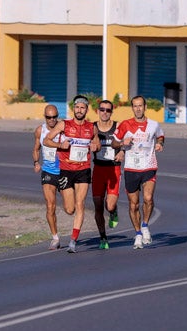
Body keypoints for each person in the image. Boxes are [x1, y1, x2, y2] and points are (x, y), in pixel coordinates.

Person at [43, 95, 98, 253]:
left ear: (86, 110)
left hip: (83, 170)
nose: (79, 110)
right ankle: (67, 203)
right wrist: (60, 145)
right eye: (77, 107)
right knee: (70, 209)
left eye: (82, 108)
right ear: (74, 109)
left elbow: (97, 143)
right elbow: (46, 140)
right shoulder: (64, 125)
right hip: (66, 170)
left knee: (80, 204)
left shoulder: (91, 127)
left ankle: (73, 241)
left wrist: (96, 146)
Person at [114, 95, 165, 249]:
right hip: (131, 168)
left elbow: (160, 136)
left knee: (148, 198)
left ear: (145, 107)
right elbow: (114, 142)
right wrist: (122, 143)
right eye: (135, 106)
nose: (138, 109)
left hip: (149, 166)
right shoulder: (125, 124)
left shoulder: (153, 125)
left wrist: (159, 144)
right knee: (134, 205)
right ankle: (137, 234)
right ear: (132, 108)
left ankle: (145, 225)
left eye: (140, 106)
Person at [90, 98, 122, 249]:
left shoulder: (117, 127)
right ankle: (103, 238)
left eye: (108, 110)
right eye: (102, 109)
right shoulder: (92, 127)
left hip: (113, 169)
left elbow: (128, 142)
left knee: (109, 205)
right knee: (98, 206)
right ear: (97, 111)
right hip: (98, 169)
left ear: (111, 112)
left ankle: (113, 211)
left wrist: (122, 152)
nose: (104, 112)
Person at [31, 105, 62, 250]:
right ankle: (55, 238)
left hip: (64, 171)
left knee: (70, 208)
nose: (52, 120)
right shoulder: (40, 130)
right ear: (45, 117)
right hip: (48, 171)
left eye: (54, 117)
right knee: (50, 206)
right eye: (49, 117)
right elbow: (36, 149)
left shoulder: (63, 128)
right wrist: (36, 162)